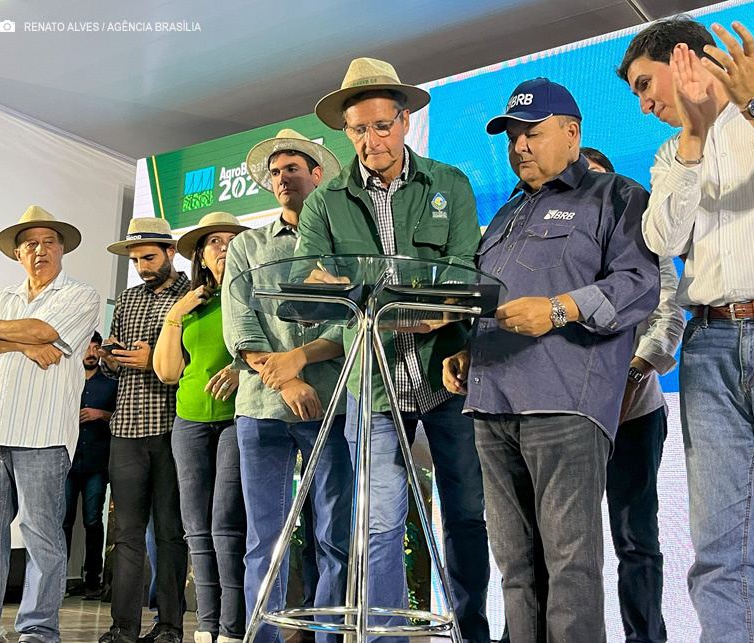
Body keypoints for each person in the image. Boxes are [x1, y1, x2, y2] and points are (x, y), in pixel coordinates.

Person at [618, 16, 754, 642]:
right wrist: (693, 135)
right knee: (718, 554)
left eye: (645, 84)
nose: (644, 104)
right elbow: (664, 239)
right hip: (711, 346)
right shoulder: (672, 151)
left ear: (683, 57)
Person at [443, 78, 660, 642]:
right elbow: (492, 296)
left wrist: (561, 310)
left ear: (572, 132)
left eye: (532, 133)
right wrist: (469, 348)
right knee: (515, 572)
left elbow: (640, 284)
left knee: (571, 568)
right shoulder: (508, 213)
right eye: (512, 135)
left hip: (564, 406)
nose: (519, 146)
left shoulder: (616, 196)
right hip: (491, 406)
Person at [297, 58, 490, 643]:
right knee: (379, 523)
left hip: (447, 375)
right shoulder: (325, 200)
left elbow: (462, 274)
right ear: (346, 132)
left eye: (382, 126)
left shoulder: (449, 184)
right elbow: (310, 284)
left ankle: (469, 631)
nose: (371, 139)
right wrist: (369, 301)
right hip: (371, 385)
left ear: (404, 122)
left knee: (464, 515)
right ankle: (384, 637)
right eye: (358, 130)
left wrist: (389, 303)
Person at [222, 129, 353, 643]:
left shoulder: (345, 244)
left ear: (317, 174)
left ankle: (325, 637)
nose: (281, 178)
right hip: (259, 407)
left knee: (333, 538)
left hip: (331, 405)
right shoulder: (247, 246)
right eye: (274, 172)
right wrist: (285, 378)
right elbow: (240, 324)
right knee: (263, 539)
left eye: (291, 168)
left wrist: (300, 366)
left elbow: (352, 320)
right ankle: (263, 637)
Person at [583, 146, 686, 643]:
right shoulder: (559, 240)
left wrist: (633, 373)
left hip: (634, 411)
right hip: (567, 415)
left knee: (635, 538)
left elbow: (669, 314)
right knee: (559, 542)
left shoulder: (646, 239)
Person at [0, 206, 100, 643]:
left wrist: (14, 334)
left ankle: (37, 629)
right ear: (17, 254)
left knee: (41, 536)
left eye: (49, 241)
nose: (40, 249)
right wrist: (28, 343)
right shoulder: (2, 297)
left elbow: (44, 328)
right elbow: (29, 334)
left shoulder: (81, 295)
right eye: (30, 243)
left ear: (62, 249)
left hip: (43, 434)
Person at [153, 211, 248, 643]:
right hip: (188, 420)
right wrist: (175, 314)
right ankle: (207, 625)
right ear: (200, 255)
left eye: (231, 239)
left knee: (226, 521)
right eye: (213, 241)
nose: (223, 246)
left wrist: (241, 366)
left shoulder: (250, 294)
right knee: (196, 525)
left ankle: (233, 626)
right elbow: (168, 373)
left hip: (236, 417)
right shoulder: (192, 304)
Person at [99, 217, 191, 643]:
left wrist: (157, 355)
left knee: (171, 530)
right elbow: (108, 358)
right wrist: (112, 359)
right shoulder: (128, 298)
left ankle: (170, 625)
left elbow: (203, 354)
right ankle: (123, 627)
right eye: (136, 260)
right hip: (126, 426)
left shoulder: (193, 293)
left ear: (171, 253)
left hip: (175, 425)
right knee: (126, 532)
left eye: (149, 257)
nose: (141, 266)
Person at [64, 330, 119, 601]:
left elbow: (122, 418)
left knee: (93, 521)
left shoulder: (110, 384)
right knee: (62, 521)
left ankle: (92, 581)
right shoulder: (67, 381)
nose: (90, 353)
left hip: (97, 462)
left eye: (95, 347)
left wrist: (101, 414)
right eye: (86, 347)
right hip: (67, 461)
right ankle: (56, 580)